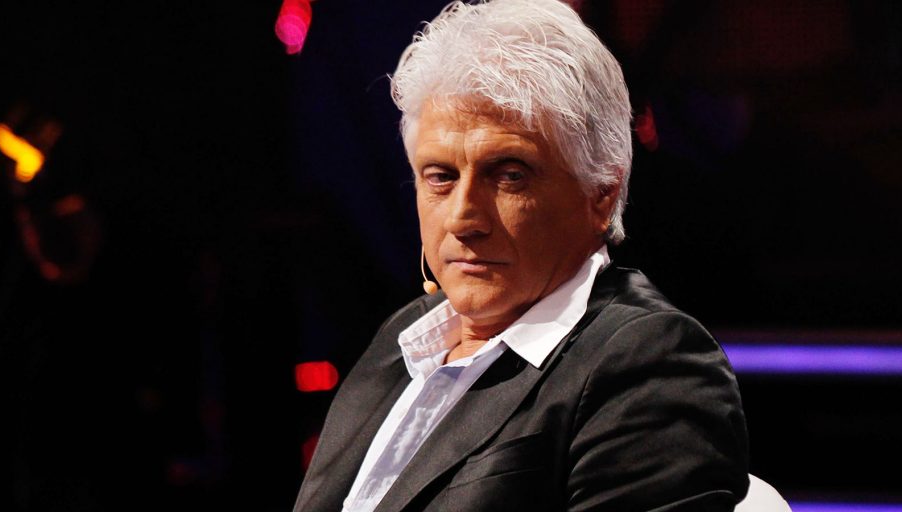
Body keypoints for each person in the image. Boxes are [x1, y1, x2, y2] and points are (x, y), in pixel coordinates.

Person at [294, 1, 748, 510]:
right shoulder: (402, 337)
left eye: (509, 175)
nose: (463, 218)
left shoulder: (648, 364)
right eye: (440, 177)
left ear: (600, 191)